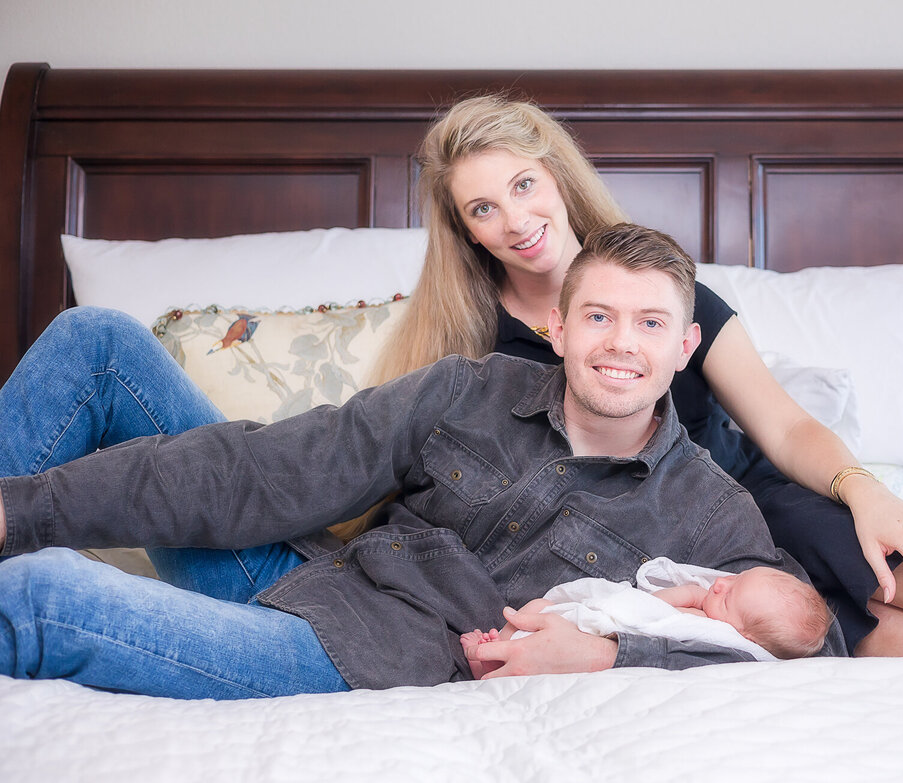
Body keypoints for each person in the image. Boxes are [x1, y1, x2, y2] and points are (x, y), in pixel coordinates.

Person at [1, 95, 903, 678]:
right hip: (415, 573)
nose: (515, 222)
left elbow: (775, 424)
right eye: (483, 208)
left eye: (525, 190)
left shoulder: (665, 311)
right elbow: (330, 467)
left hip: (729, 495)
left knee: (876, 595)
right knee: (102, 350)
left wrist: (863, 491)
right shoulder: (466, 364)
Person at [0, 223, 847, 699]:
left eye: (652, 324)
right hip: (312, 571)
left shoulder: (711, 511)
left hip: (359, 657)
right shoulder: (467, 389)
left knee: (42, 594)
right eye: (599, 317)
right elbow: (277, 469)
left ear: (688, 345)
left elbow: (809, 653)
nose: (622, 344)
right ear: (558, 325)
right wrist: (25, 509)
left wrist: (607, 656)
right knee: (99, 342)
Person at [461, 556, 833, 680]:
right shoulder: (720, 614)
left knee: (536, 610)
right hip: (592, 632)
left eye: (729, 595)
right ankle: (499, 649)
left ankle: (493, 654)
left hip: (605, 628)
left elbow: (649, 610)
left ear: (746, 637)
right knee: (538, 610)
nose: (718, 584)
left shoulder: (710, 633)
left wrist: (688, 594)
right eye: (734, 580)